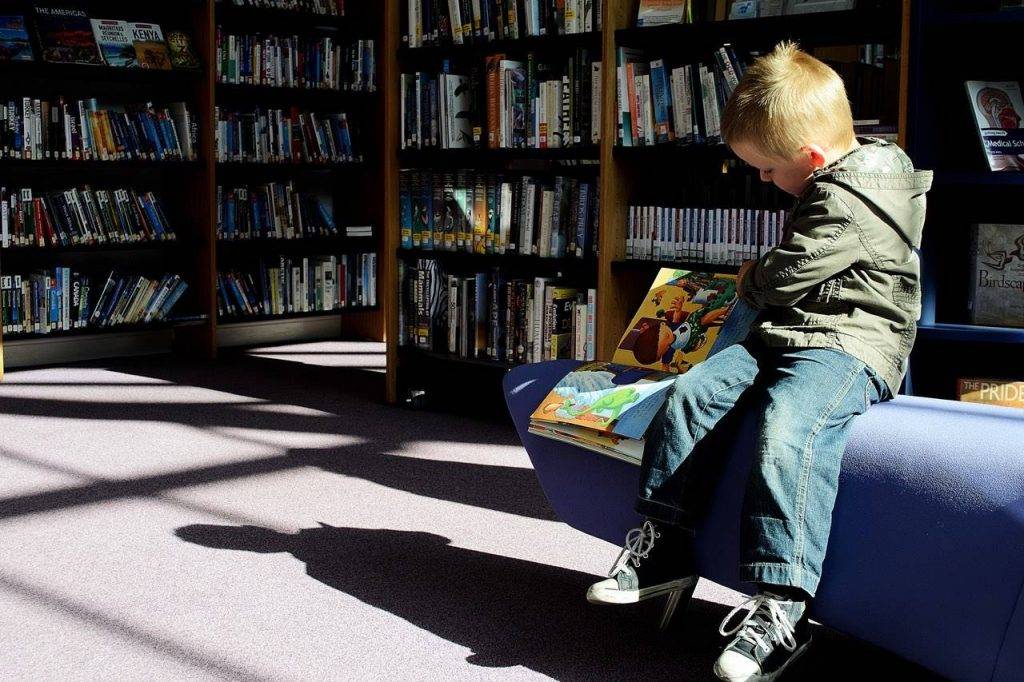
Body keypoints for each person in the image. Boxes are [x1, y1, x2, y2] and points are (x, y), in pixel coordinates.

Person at [586, 42, 933, 681]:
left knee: (789, 429)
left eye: (769, 172)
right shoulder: (831, 178)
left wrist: (748, 275)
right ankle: (665, 546)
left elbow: (787, 273)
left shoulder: (859, 199)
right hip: (787, 333)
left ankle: (783, 604)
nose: (765, 182)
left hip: (849, 345)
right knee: (691, 396)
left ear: (810, 156)